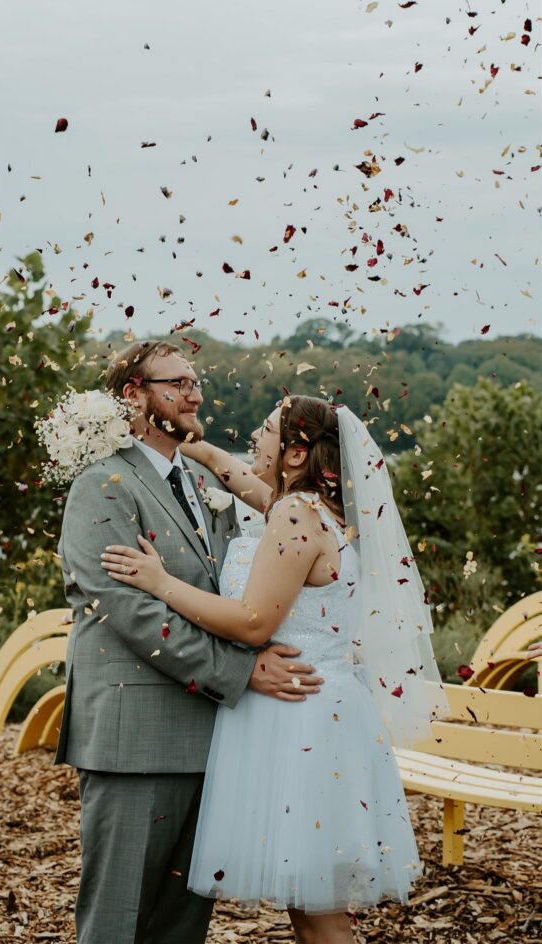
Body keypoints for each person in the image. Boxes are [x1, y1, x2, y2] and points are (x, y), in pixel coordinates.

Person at [102, 395, 445, 944]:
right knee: (310, 910)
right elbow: (243, 479)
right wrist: (201, 450)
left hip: (303, 720)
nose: (253, 439)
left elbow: (254, 623)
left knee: (320, 917)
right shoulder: (313, 508)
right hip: (317, 711)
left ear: (295, 453)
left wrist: (159, 582)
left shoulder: (291, 515)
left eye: (264, 430)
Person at [54, 342, 325, 944]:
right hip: (134, 738)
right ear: (134, 393)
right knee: (117, 920)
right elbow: (133, 614)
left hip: (212, 739)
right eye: (177, 383)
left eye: (196, 381)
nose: (195, 393)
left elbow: (253, 576)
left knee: (182, 926)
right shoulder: (101, 486)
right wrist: (244, 670)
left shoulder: (204, 479)